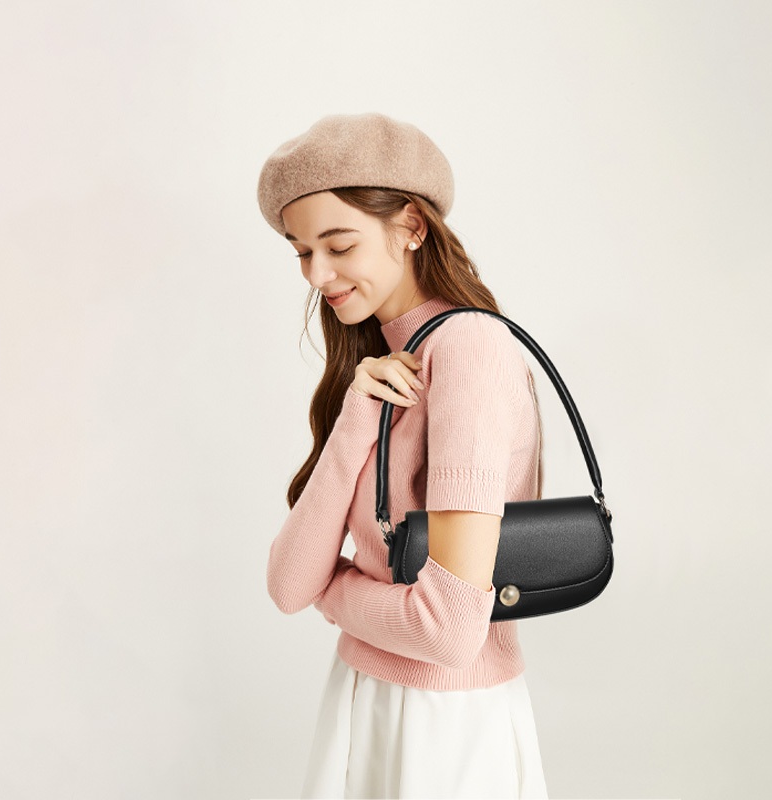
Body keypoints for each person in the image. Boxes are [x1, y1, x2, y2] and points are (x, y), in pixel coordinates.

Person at [258, 112, 549, 799]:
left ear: (412, 226)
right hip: (366, 696)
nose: (317, 274)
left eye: (338, 245)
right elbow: (287, 585)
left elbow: (450, 630)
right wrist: (354, 421)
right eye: (301, 252)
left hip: (446, 725)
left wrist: (335, 589)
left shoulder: (469, 350)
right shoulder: (382, 367)